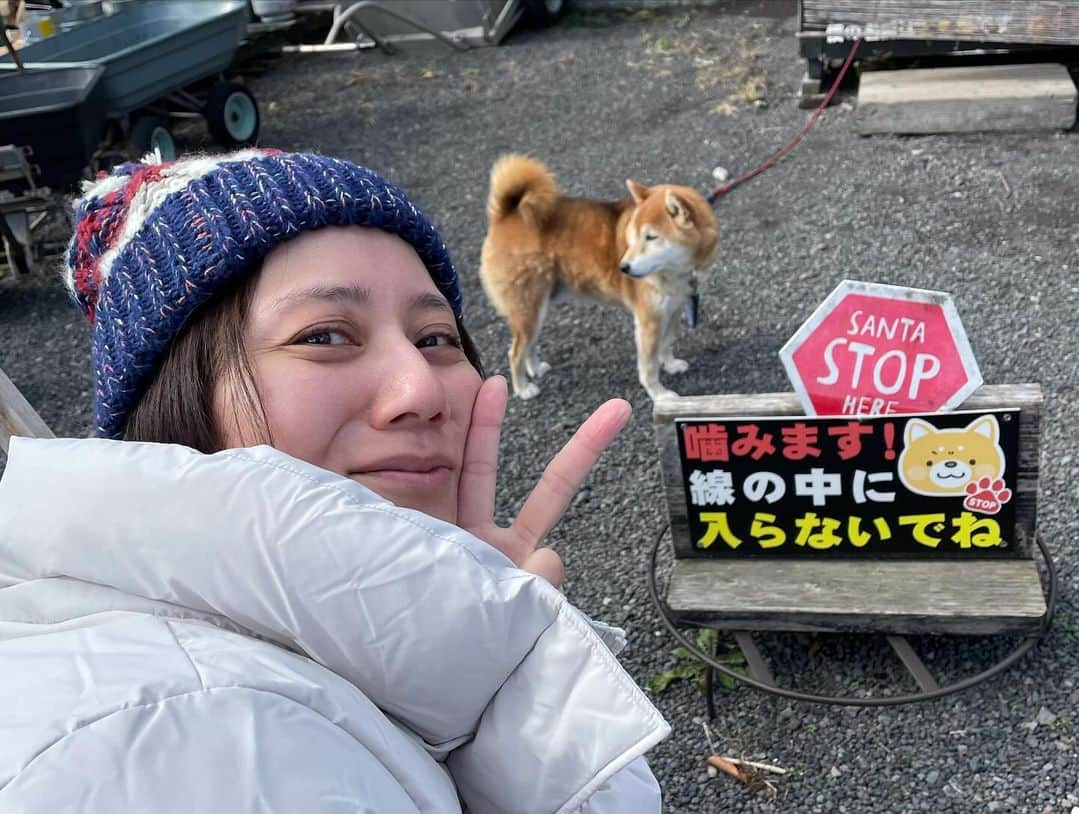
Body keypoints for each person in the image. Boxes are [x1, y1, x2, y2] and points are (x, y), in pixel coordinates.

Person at [0, 149, 670, 812]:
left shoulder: (291, 656)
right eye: (323, 336)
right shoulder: (177, 735)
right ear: (173, 397)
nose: (421, 388)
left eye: (436, 338)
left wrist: (476, 664)